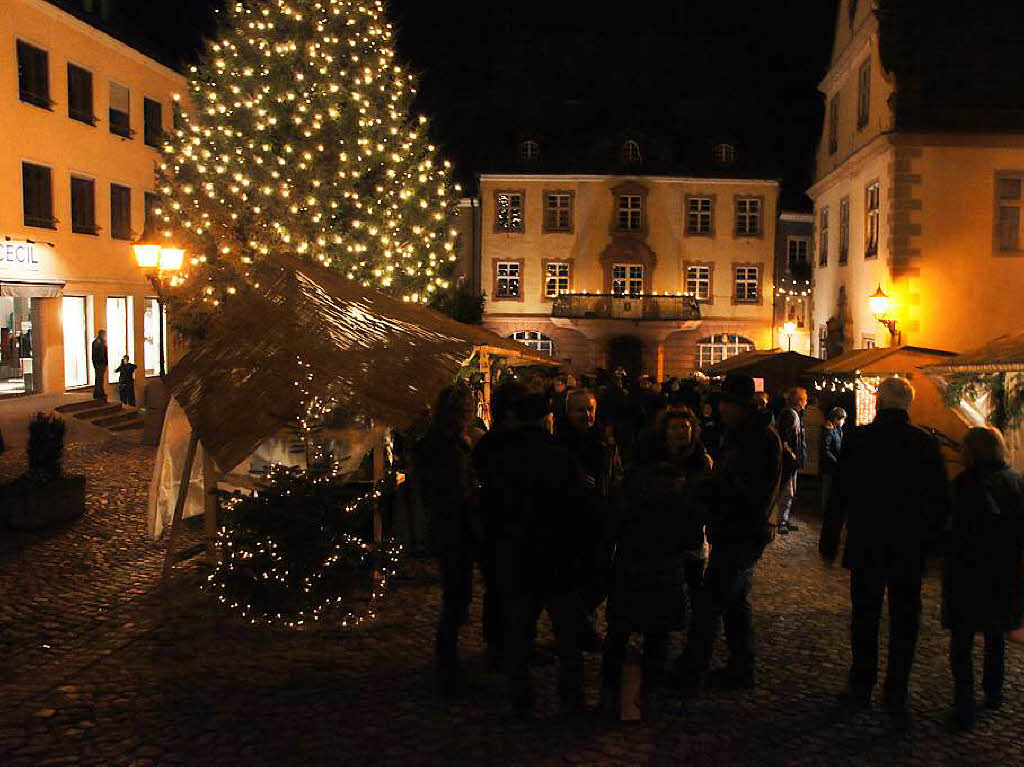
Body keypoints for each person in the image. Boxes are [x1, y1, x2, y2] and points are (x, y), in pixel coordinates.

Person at [819, 377, 949, 730]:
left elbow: (839, 496)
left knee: (865, 616)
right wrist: (935, 546)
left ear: (878, 404)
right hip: (908, 548)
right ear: (908, 406)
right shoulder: (924, 444)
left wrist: (829, 540)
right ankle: (896, 691)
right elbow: (940, 501)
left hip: (867, 543)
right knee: (905, 621)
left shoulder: (858, 440)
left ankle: (861, 685)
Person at [474, 387, 587, 716]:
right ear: (546, 418)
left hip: (516, 556)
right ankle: (572, 701)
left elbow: (488, 510)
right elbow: (579, 509)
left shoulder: (498, 458)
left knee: (518, 637)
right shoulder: (562, 455)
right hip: (558, 558)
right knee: (568, 639)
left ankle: (521, 701)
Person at [602, 408, 711, 721]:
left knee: (656, 631)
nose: (682, 432)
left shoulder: (697, 466)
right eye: (676, 427)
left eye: (687, 427)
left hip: (667, 559)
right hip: (641, 556)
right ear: (663, 433)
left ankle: (642, 693)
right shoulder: (645, 470)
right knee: (625, 629)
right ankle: (618, 692)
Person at [680, 374, 781, 693]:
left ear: (739, 406)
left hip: (741, 531)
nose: (719, 408)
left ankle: (693, 669)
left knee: (709, 603)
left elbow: (744, 489)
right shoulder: (744, 435)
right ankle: (742, 667)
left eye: (724, 402)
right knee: (736, 602)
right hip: (738, 529)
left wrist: (705, 488)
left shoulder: (757, 439)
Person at [942, 426, 1024, 731]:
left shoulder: (965, 483)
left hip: (968, 572)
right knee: (994, 636)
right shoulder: (1016, 482)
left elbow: (951, 528)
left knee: (962, 641)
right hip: (1003, 574)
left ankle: (963, 702)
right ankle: (993, 692)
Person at [414, 385, 479, 695]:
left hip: (446, 527)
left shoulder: (434, 442)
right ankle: (448, 668)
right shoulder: (448, 447)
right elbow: (456, 493)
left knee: (456, 597)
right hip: (455, 529)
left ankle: (449, 663)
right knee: (456, 598)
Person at [557, 388, 617, 652]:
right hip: (571, 522)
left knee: (598, 578)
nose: (587, 414)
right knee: (575, 579)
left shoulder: (604, 441)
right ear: (568, 412)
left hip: (600, 520)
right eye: (581, 409)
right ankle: (577, 632)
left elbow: (613, 476)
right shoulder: (560, 444)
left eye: (590, 409)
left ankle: (583, 626)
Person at [776, 387, 808, 534]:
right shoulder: (790, 414)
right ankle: (781, 520)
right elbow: (785, 438)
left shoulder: (793, 413)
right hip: (789, 460)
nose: (806, 402)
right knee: (787, 490)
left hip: (792, 459)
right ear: (799, 401)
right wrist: (792, 454)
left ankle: (784, 518)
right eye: (805, 399)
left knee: (790, 490)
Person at [820, 407, 847, 514]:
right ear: (836, 419)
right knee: (827, 490)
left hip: (836, 466)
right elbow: (825, 450)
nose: (844, 422)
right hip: (829, 467)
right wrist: (836, 460)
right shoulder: (828, 431)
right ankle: (825, 511)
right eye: (842, 419)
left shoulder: (838, 430)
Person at [91, 330, 108, 401]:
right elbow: (98, 354)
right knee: (99, 378)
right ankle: (98, 393)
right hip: (99, 363)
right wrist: (101, 363)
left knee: (100, 379)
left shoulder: (99, 342)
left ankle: (100, 392)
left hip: (100, 363)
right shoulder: (98, 342)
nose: (105, 336)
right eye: (104, 334)